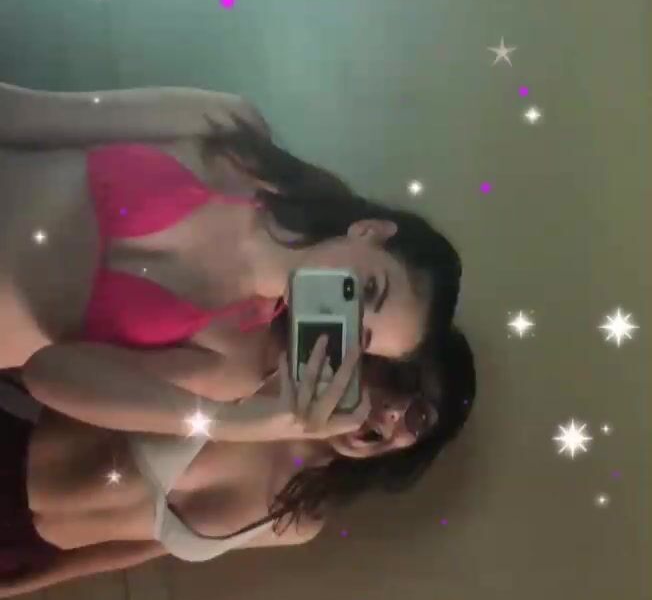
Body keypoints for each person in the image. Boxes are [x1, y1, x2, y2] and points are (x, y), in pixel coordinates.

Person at [0, 80, 464, 432]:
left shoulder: (236, 364)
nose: (341, 308)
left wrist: (252, 424)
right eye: (367, 288)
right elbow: (30, 113)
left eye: (359, 334)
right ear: (370, 231)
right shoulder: (232, 133)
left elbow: (47, 373)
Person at [0, 327, 475, 599]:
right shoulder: (258, 369)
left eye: (418, 416)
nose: (392, 411)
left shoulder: (301, 517)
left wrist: (28, 581)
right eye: (397, 377)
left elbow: (142, 547)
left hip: (23, 548)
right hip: (17, 439)